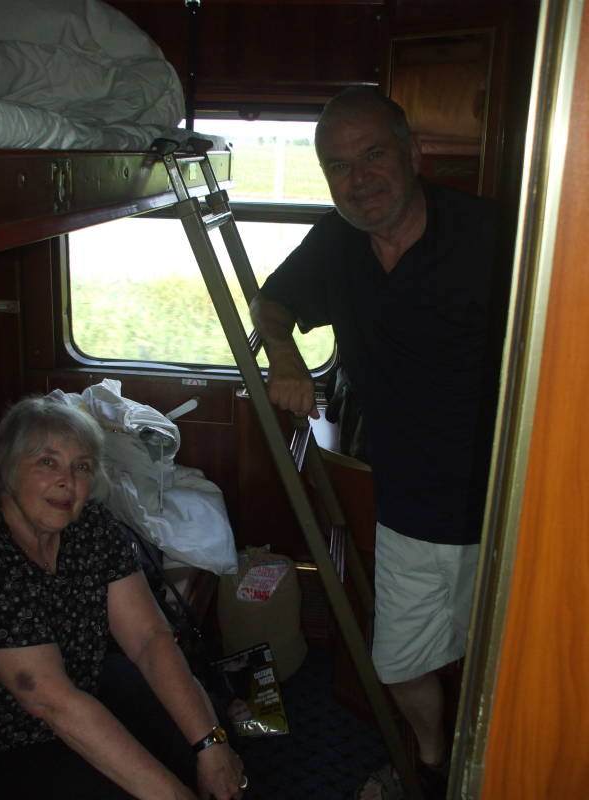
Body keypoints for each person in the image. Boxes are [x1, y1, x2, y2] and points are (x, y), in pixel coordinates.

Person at [250, 87, 501, 799]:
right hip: (409, 504)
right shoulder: (337, 242)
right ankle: (432, 763)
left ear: (412, 153)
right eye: (338, 168)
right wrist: (286, 355)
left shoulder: (492, 233)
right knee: (398, 663)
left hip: (508, 505)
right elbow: (272, 303)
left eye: (373, 156)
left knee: (517, 664)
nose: (359, 180)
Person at [0, 395, 247, 800]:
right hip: (10, 734)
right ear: (6, 466)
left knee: (198, 737)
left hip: (84, 684)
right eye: (46, 462)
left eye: (82, 467)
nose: (66, 481)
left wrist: (211, 745)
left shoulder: (92, 527)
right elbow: (53, 703)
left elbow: (149, 638)